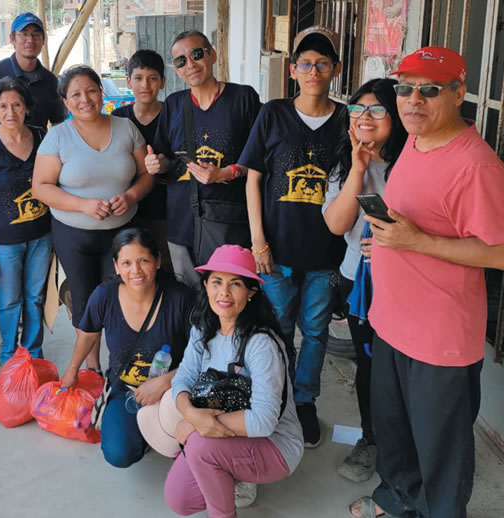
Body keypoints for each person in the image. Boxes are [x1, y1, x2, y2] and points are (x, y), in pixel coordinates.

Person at [348, 47, 504, 518]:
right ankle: (397, 501)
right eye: (404, 88)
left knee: (442, 454)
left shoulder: (477, 166)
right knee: (396, 434)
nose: (413, 100)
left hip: (439, 340)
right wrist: (384, 242)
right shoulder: (416, 144)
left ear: (460, 93)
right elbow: (411, 222)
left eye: (430, 90)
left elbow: (503, 254)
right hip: (391, 324)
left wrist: (416, 241)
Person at [239, 26, 346, 448]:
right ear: (293, 70)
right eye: (305, 63)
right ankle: (276, 396)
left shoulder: (345, 120)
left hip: (326, 252)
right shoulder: (273, 113)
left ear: (334, 70)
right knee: (278, 328)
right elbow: (253, 179)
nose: (313, 71)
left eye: (322, 63)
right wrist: (257, 241)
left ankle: (304, 401)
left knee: (315, 332)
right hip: (276, 250)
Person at [163, 245, 302, 516]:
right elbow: (183, 379)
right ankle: (230, 469)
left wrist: (196, 424)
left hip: (274, 444)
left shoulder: (260, 343)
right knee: (180, 500)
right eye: (216, 282)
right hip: (226, 431)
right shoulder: (203, 327)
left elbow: (263, 421)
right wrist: (190, 413)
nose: (223, 292)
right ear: (206, 285)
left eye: (235, 283)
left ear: (251, 292)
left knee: (200, 446)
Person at [33, 65, 154, 373]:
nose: (85, 99)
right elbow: (41, 187)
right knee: (86, 302)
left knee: (123, 296)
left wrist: (129, 197)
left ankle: (121, 364)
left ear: (102, 92)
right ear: (65, 101)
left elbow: (146, 176)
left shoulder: (126, 129)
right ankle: (92, 369)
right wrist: (82, 205)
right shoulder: (58, 137)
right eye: (75, 94)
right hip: (75, 235)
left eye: (91, 91)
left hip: (121, 234)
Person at [322, 78, 407, 483]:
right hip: (358, 282)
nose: (365, 118)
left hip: (407, 288)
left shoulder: (413, 164)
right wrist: (357, 170)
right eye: (357, 111)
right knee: (369, 370)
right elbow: (338, 225)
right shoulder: (344, 163)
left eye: (376, 110)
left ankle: (404, 445)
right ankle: (372, 440)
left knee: (403, 371)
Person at [60, 228, 194, 467]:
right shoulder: (104, 296)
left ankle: (164, 431)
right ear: (116, 266)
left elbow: (203, 354)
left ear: (158, 261)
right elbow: (88, 334)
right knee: (119, 453)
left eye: (144, 261)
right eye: (127, 263)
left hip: (177, 390)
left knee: (183, 443)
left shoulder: (180, 298)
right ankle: (144, 432)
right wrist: (72, 370)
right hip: (127, 390)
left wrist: (166, 381)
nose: (136, 271)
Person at [146, 30, 261, 288]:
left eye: (196, 54)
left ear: (212, 55)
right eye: (181, 61)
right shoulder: (174, 105)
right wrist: (156, 164)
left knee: (229, 296)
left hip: (229, 220)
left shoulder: (243, 98)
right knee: (190, 300)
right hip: (181, 220)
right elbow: (165, 156)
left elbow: (260, 158)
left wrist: (226, 173)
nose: (190, 64)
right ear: (176, 70)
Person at [0, 77, 52, 364]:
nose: (10, 112)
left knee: (35, 298)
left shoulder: (42, 138)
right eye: (4, 106)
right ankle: (10, 357)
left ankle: (33, 354)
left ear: (26, 108)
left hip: (42, 236)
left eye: (17, 105)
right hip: (5, 244)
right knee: (9, 302)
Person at [111, 49, 173, 274]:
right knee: (135, 266)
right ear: (128, 81)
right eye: (138, 78)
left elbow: (179, 157)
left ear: (163, 82)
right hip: (126, 209)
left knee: (164, 264)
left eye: (152, 78)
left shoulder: (173, 115)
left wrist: (162, 163)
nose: (145, 85)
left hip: (166, 208)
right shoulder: (117, 118)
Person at [0, 12, 65, 130]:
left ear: (43, 40)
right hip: (0, 146)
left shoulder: (50, 80)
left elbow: (58, 121)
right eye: (24, 34)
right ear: (12, 39)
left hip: (38, 147)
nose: (30, 40)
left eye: (36, 35)